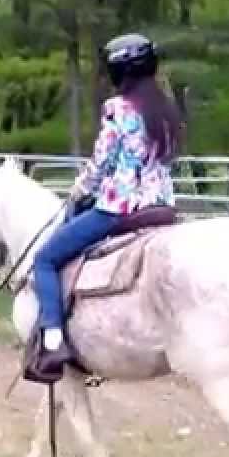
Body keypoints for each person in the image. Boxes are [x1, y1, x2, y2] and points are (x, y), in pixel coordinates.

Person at [27, 32, 183, 383]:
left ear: (119, 71)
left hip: (121, 206)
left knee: (46, 259)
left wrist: (78, 191)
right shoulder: (166, 109)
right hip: (162, 206)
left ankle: (53, 340)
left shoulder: (118, 109)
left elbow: (102, 162)